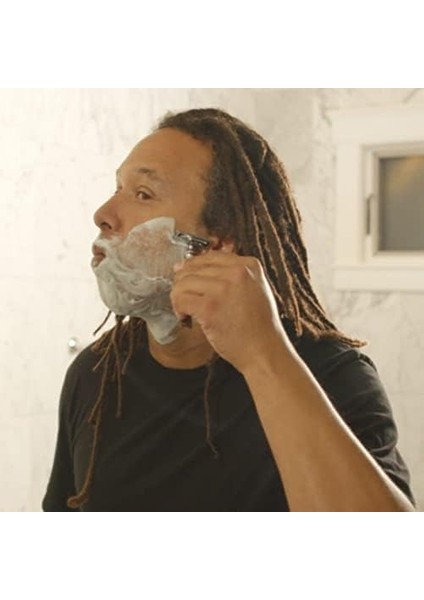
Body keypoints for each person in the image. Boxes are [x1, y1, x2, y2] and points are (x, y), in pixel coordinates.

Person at [42, 108, 415, 512]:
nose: (103, 214)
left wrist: (262, 356)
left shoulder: (331, 374)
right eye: (117, 187)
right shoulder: (96, 374)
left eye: (143, 194)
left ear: (217, 243)